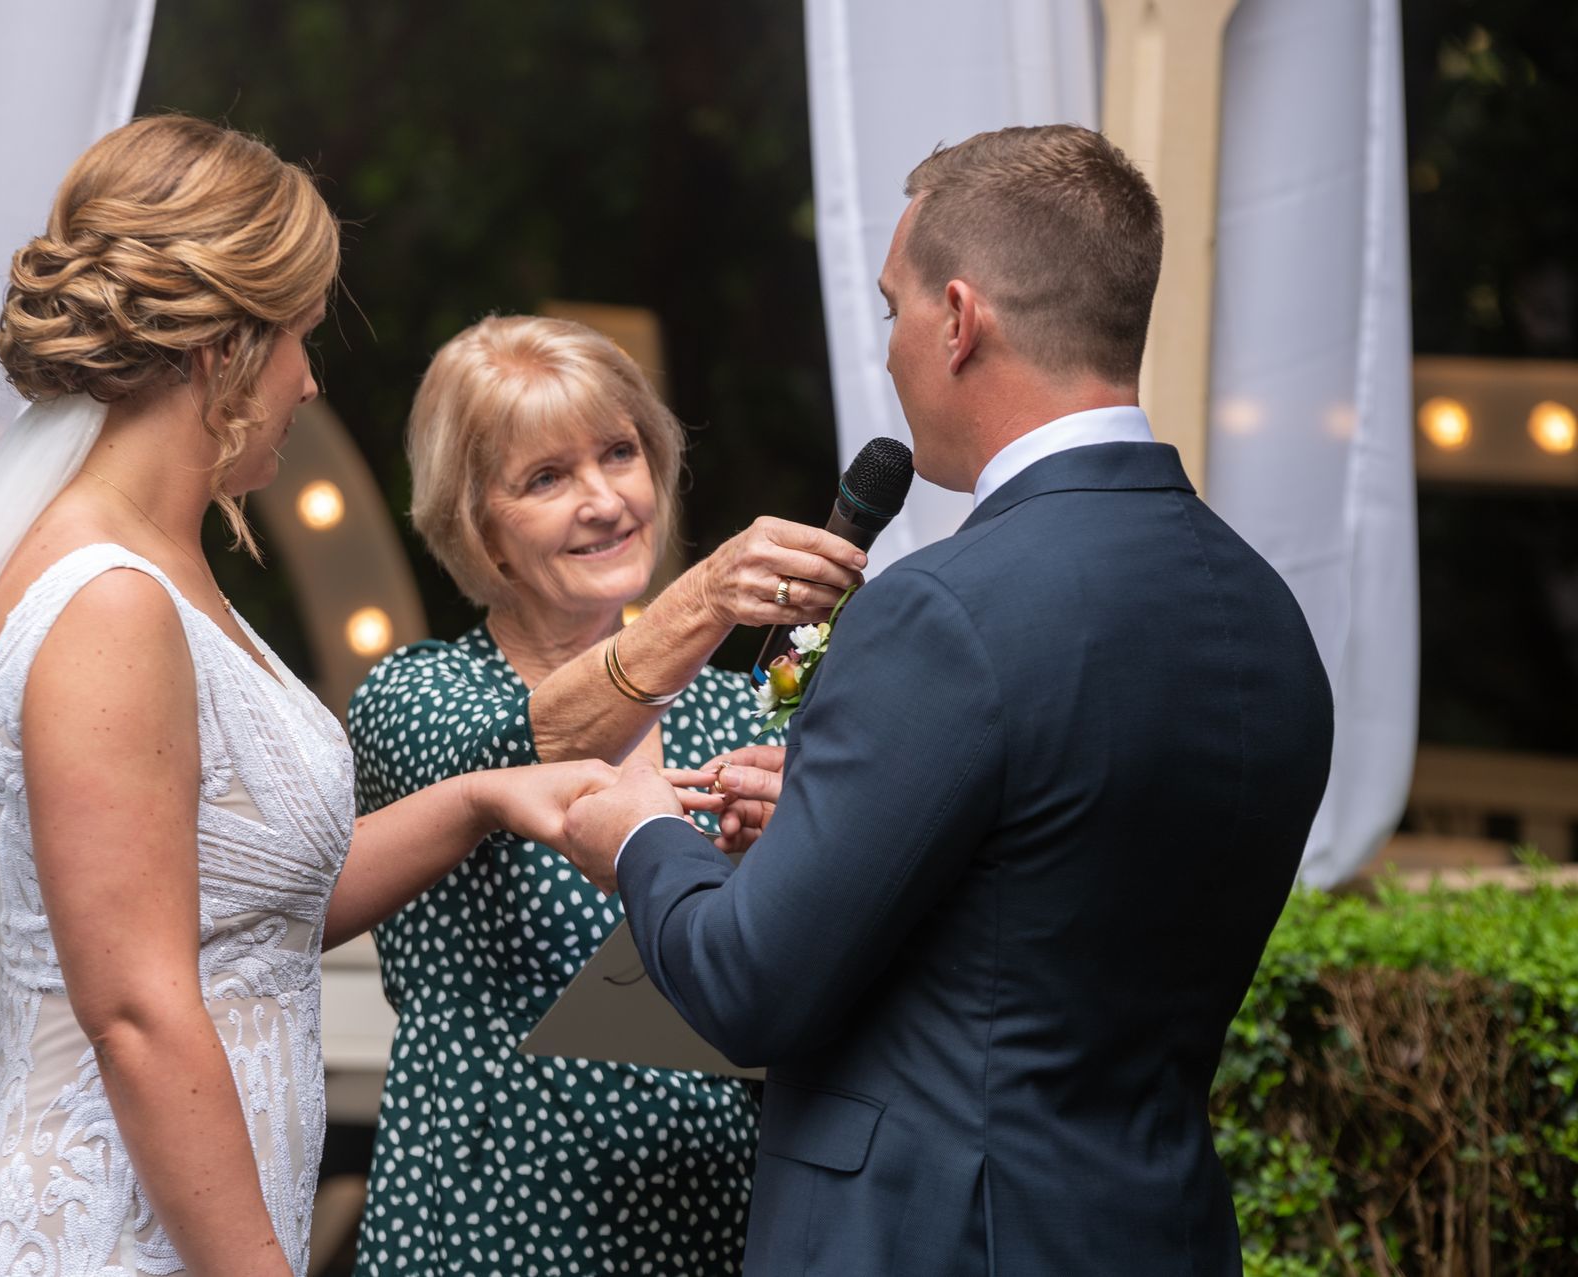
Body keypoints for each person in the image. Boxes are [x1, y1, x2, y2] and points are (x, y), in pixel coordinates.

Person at [0, 117, 615, 1277]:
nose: (309, 380)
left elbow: (240, 910)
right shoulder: (107, 601)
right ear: (222, 349)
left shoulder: (159, 564)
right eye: (300, 336)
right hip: (111, 1237)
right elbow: (137, 1012)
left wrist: (482, 799)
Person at [557, 124, 1336, 1276]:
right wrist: (829, 818)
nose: (889, 351)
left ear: (960, 319)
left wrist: (641, 835)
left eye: (894, 310)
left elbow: (748, 983)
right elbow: (1056, 882)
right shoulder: (1266, 613)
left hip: (931, 1238)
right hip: (1156, 1230)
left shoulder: (942, 611)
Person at [345, 314, 868, 1275]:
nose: (604, 499)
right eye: (546, 477)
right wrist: (706, 596)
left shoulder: (741, 708)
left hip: (717, 1214)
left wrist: (788, 856)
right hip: (496, 1220)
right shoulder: (417, 694)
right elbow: (524, 747)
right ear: (479, 526)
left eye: (620, 453)